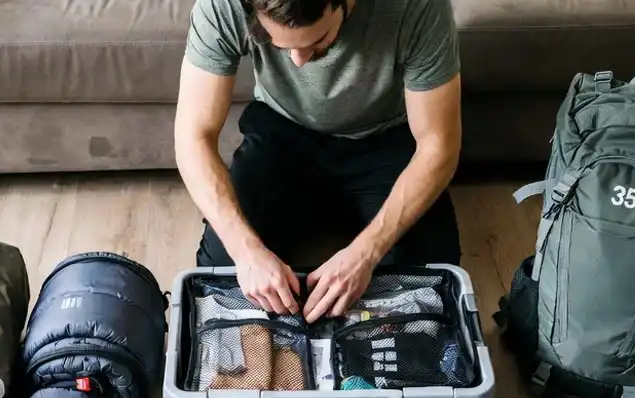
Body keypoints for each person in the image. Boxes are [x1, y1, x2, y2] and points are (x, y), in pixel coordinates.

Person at [174, 0, 463, 323]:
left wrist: (366, 253)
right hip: (282, 134)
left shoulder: (418, 6)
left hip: (385, 139)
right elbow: (193, 136)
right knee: (223, 276)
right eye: (279, 45)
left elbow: (438, 145)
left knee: (429, 282)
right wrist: (245, 252)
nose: (298, 61)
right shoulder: (224, 4)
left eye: (317, 41)